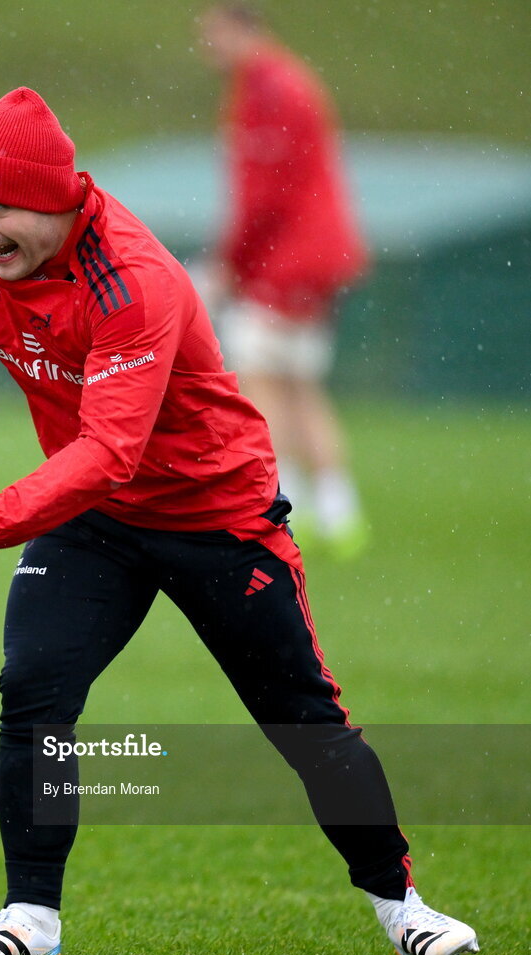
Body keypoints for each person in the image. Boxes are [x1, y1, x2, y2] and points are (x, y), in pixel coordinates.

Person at [0, 87, 478, 955]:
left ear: (56, 196)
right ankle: (28, 920)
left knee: (301, 720)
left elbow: (108, 450)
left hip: (216, 517)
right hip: (91, 521)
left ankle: (403, 906)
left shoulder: (132, 278)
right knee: (34, 692)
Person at [200, 4, 370, 556]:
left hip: (287, 258)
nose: (209, 47)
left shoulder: (269, 88)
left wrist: (229, 263)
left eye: (215, 33)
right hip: (315, 256)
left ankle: (281, 503)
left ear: (242, 28)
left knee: (259, 379)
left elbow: (263, 193)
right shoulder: (290, 81)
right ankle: (339, 512)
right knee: (299, 382)